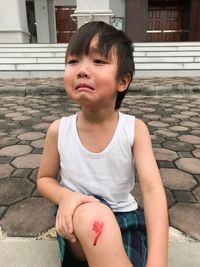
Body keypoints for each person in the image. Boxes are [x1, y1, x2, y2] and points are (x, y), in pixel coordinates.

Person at [37, 21, 169, 267]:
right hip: (79, 220)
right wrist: (67, 198)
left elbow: (152, 191)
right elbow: (45, 179)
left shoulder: (134, 129)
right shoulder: (59, 130)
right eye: (73, 61)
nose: (82, 70)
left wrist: (158, 260)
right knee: (94, 216)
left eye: (98, 61)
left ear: (123, 81)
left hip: (126, 220)